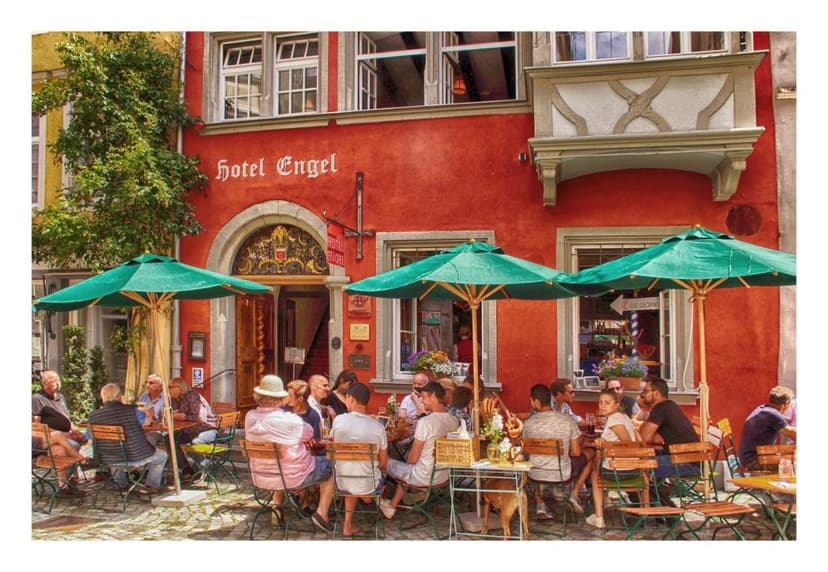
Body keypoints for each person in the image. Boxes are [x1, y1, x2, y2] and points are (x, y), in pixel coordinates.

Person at [245, 374, 336, 533]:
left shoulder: (249, 417)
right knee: (330, 466)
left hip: (260, 475)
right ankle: (321, 514)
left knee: (281, 462)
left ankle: (277, 506)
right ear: (280, 398)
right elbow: (308, 433)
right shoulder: (288, 420)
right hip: (290, 476)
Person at [379, 381, 459, 520]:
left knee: (383, 461)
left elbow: (412, 459)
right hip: (443, 474)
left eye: (423, 397)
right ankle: (392, 505)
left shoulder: (426, 422)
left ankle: (376, 499)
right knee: (404, 469)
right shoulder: (453, 420)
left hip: (422, 476)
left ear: (433, 396)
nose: (421, 401)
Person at [329, 382, 389, 537]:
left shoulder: (339, 421)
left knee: (350, 471)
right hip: (369, 483)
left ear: (350, 398)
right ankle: (367, 496)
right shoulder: (378, 427)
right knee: (363, 473)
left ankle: (347, 525)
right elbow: (383, 463)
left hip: (341, 481)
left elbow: (333, 446)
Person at [87, 383, 168, 493]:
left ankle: (120, 484)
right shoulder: (132, 411)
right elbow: (146, 423)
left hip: (106, 458)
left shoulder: (93, 416)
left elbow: (88, 437)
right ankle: (151, 486)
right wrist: (149, 414)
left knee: (115, 449)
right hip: (133, 456)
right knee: (162, 456)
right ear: (119, 396)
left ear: (102, 398)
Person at [521, 384, 585, 518]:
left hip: (535, 474)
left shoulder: (528, 423)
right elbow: (576, 452)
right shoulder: (566, 420)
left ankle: (540, 504)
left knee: (529, 462)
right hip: (561, 474)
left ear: (537, 402)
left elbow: (525, 452)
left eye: (531, 400)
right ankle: (573, 493)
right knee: (589, 455)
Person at [585, 388, 641, 529]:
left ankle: (599, 517)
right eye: (600, 402)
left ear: (616, 404)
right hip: (634, 469)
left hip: (620, 470)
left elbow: (627, 444)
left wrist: (605, 445)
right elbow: (638, 439)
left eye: (607, 403)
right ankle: (607, 501)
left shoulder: (614, 419)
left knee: (595, 474)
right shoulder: (623, 417)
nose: (602, 406)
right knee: (597, 462)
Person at [638, 377, 699, 479]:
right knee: (642, 458)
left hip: (686, 464)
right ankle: (659, 494)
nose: (642, 395)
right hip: (690, 460)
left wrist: (651, 433)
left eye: (645, 391)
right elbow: (648, 434)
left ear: (656, 393)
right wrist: (655, 433)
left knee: (638, 465)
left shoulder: (661, 408)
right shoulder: (668, 406)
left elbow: (643, 436)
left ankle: (654, 494)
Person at [738, 385, 797, 469]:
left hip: (747, 457)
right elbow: (792, 433)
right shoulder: (772, 414)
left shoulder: (763, 409)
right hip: (753, 460)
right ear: (786, 404)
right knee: (790, 463)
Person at [32, 370, 85, 448]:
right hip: (52, 436)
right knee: (74, 445)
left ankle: (84, 459)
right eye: (50, 382)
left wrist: (75, 431)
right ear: (44, 384)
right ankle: (80, 459)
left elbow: (66, 418)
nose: (53, 383)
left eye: (55, 381)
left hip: (68, 433)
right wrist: (63, 434)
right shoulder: (37, 398)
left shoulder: (61, 397)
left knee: (88, 440)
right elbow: (37, 425)